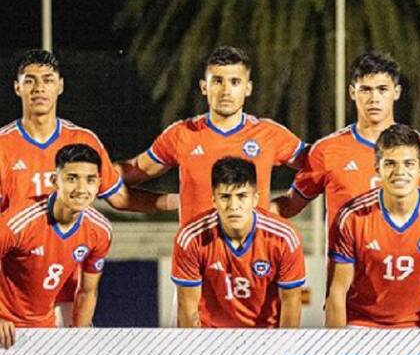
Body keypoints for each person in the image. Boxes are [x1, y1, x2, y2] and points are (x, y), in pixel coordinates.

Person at [0, 50, 175, 326]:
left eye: (47, 79)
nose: (39, 88)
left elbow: (121, 197)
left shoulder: (82, 140)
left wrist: (179, 202)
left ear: (60, 86)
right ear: (17, 87)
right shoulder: (4, 146)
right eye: (30, 80)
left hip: (68, 290)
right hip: (16, 295)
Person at [120, 45, 305, 227]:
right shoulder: (181, 134)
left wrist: (284, 206)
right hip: (196, 255)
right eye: (217, 81)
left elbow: (321, 165)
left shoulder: (269, 134)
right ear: (204, 87)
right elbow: (126, 174)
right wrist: (166, 201)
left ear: (247, 89)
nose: (226, 91)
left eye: (235, 82)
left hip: (253, 254)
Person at [272, 51, 420, 233]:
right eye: (365, 90)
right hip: (346, 261)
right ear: (352, 92)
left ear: (396, 92)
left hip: (405, 258)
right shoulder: (327, 150)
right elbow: (291, 203)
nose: (374, 98)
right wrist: (248, 213)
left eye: (382, 89)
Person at [326, 124, 420, 328]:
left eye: (409, 164)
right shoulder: (352, 216)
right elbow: (337, 292)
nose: (400, 172)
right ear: (377, 169)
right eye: (390, 164)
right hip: (365, 322)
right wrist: (335, 349)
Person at [0, 144, 113, 348]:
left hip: (44, 331)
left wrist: (80, 337)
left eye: (90, 180)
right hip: (4, 328)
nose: (81, 189)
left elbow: (87, 291)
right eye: (71, 178)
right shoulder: (19, 222)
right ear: (54, 181)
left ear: (99, 185)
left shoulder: (100, 231)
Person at [172, 157, 304, 328]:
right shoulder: (190, 238)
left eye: (242, 196)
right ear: (213, 200)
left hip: (266, 339)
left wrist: (281, 350)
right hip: (210, 340)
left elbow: (291, 304)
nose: (234, 206)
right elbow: (188, 310)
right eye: (225, 197)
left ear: (255, 199)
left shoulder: (284, 238)